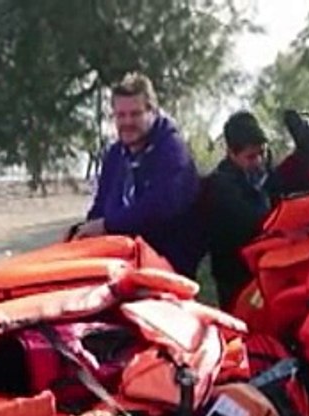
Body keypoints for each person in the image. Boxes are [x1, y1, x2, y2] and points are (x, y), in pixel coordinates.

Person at [72, 73, 203, 277]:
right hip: (120, 262)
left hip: (165, 268)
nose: (127, 122)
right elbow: (101, 206)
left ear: (153, 111)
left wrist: (108, 225)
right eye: (121, 115)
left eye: (135, 114)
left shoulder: (173, 151)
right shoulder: (115, 155)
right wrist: (83, 231)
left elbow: (159, 208)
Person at [203, 111, 275, 309]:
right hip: (234, 279)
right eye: (251, 157)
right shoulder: (221, 187)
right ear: (232, 154)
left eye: (262, 153)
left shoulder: (267, 176)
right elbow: (256, 221)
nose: (259, 161)